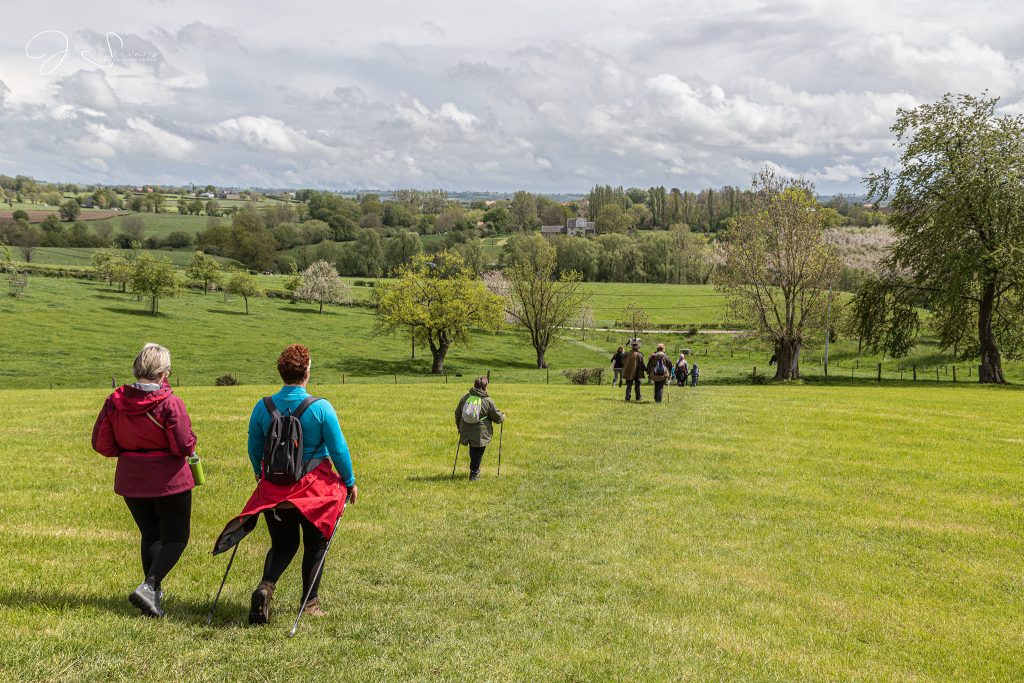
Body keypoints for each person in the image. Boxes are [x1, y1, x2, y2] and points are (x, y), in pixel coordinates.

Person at [212, 344, 357, 626]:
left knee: (283, 544)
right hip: (313, 493)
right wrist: (349, 481)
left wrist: (259, 473)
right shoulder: (321, 408)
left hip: (275, 491)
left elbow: (254, 446)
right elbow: (338, 450)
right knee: (316, 545)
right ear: (307, 371)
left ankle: (266, 586)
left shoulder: (263, 407)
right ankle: (310, 604)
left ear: (282, 373)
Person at [91, 343, 196, 618]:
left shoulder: (114, 401)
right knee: (176, 537)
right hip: (168, 479)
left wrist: (129, 452)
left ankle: (152, 595)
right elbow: (183, 444)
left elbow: (101, 443)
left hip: (131, 477)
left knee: (150, 534)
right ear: (164, 373)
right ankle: (150, 586)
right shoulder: (170, 402)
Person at [455, 376, 505, 481]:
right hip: (480, 432)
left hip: (465, 428)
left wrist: (459, 427)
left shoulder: (465, 398)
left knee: (473, 449)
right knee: (478, 451)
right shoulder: (487, 401)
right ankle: (474, 474)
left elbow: (457, 413)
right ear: (485, 387)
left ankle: (474, 470)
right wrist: (503, 416)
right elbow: (498, 418)